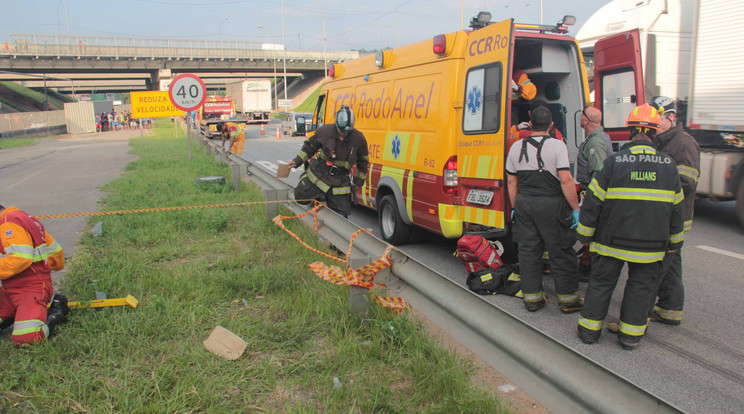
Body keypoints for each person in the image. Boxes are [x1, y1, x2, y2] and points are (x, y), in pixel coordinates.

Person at [576, 103, 685, 350]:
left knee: (602, 284)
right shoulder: (669, 166)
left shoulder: (614, 162)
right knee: (641, 287)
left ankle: (589, 333)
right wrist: (674, 243)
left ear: (630, 132)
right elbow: (677, 209)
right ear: (655, 133)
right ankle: (629, 337)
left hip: (610, 241)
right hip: (650, 246)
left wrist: (584, 234)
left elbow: (593, 201)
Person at [506, 106, 582, 313]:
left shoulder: (515, 147)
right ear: (551, 125)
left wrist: (515, 207)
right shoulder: (558, 146)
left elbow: (512, 181)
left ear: (530, 124)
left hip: (524, 204)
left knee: (528, 252)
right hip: (552, 205)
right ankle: (568, 300)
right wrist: (575, 208)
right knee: (561, 251)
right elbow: (565, 180)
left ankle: (532, 298)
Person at [647, 96, 700, 325]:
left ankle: (641, 311)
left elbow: (687, 181)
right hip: (663, 213)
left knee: (657, 265)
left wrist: (653, 177)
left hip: (672, 216)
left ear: (670, 117)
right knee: (671, 264)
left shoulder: (684, 143)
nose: (652, 124)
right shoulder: (661, 140)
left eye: (656, 118)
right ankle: (670, 309)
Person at [0, 204, 69, 346]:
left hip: (30, 290)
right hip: (12, 290)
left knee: (26, 338)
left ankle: (56, 311)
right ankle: (18, 314)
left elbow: (20, 259)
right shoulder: (24, 218)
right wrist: (46, 267)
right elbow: (56, 254)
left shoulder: (8, 223)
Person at [287, 105, 369, 217]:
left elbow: (363, 162)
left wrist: (358, 182)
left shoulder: (358, 139)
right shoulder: (325, 131)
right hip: (319, 175)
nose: (343, 136)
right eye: (341, 132)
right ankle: (305, 180)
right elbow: (309, 147)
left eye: (346, 133)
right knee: (300, 197)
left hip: (340, 182)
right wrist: (297, 161)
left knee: (341, 219)